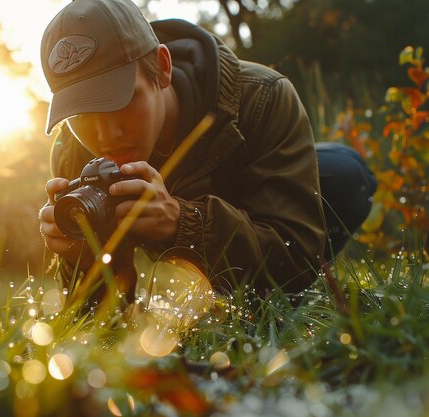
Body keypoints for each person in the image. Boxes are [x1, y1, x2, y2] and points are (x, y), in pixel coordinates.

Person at [37, 0, 376, 299]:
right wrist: (80, 255)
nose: (105, 135)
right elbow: (99, 320)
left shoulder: (263, 97)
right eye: (82, 115)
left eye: (121, 102)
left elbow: (297, 256)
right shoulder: (73, 151)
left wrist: (182, 223)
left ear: (163, 68)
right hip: (209, 247)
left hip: (262, 201)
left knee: (344, 177)